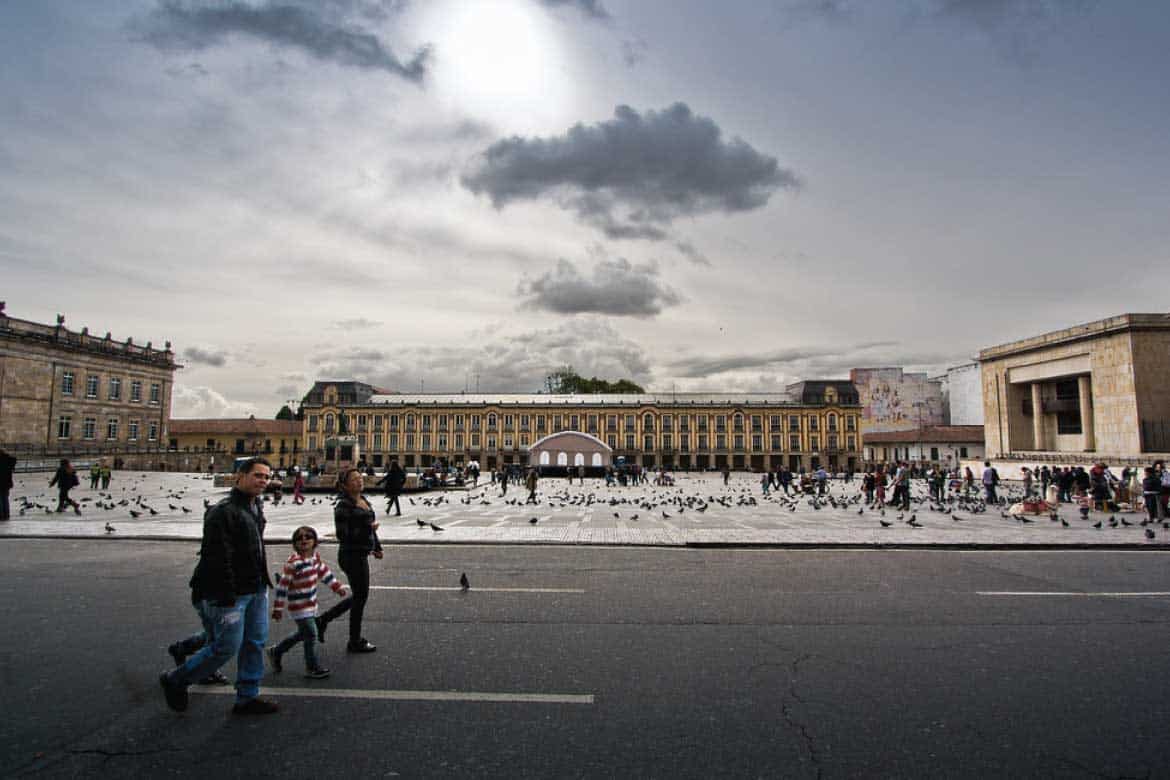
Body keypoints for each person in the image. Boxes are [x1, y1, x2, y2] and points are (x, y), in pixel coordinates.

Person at [160, 457, 277, 715]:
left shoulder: (255, 505)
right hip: (228, 593)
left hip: (255, 588)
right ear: (240, 476)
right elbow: (216, 556)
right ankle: (176, 679)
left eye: (266, 477)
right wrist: (227, 596)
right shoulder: (222, 511)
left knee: (255, 642)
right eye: (258, 475)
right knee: (226, 646)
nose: (263, 481)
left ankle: (247, 696)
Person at [269, 526, 350, 679]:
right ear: (295, 543)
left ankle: (277, 651)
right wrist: (278, 608)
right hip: (298, 607)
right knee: (311, 635)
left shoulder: (314, 559)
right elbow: (282, 587)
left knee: (303, 634)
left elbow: (324, 573)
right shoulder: (294, 564)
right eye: (300, 538)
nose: (304, 539)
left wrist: (337, 586)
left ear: (314, 541)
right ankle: (311, 667)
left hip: (311, 604)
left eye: (308, 537)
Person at [318, 467, 381, 654]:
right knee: (360, 597)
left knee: (360, 597)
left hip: (361, 553)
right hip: (350, 555)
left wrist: (377, 546)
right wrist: (368, 530)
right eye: (354, 479)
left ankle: (324, 621)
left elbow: (371, 527)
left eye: (360, 478)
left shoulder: (364, 501)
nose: (359, 481)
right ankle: (353, 640)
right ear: (344, 485)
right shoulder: (343, 506)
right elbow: (343, 535)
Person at [0, 448, 15, 521]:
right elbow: (13, 459)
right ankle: (7, 514)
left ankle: (1, 515)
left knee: (0, 499)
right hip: (7, 483)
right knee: (5, 498)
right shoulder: (9, 461)